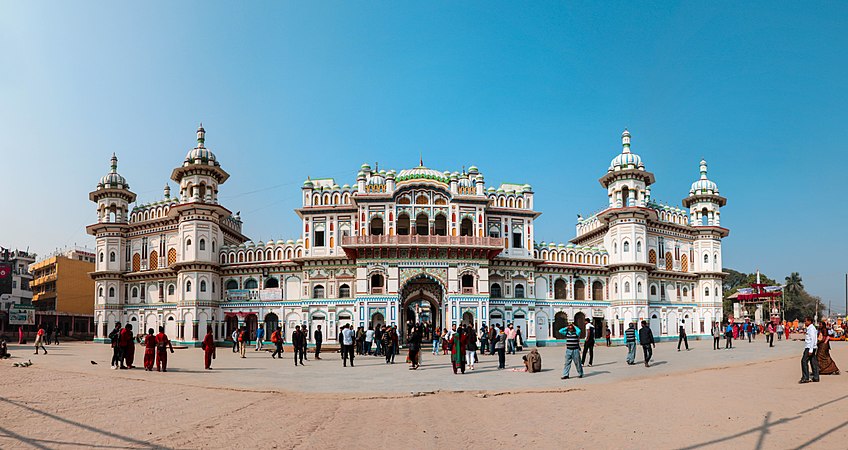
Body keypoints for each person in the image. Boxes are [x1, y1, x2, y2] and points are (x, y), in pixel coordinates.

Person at [800, 317, 820, 383]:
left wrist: (810, 350)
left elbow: (813, 339)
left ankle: (806, 377)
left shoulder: (811, 329)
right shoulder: (810, 328)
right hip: (811, 347)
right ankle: (816, 377)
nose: (805, 323)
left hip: (809, 347)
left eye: (805, 321)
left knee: (804, 361)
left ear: (809, 321)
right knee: (813, 362)